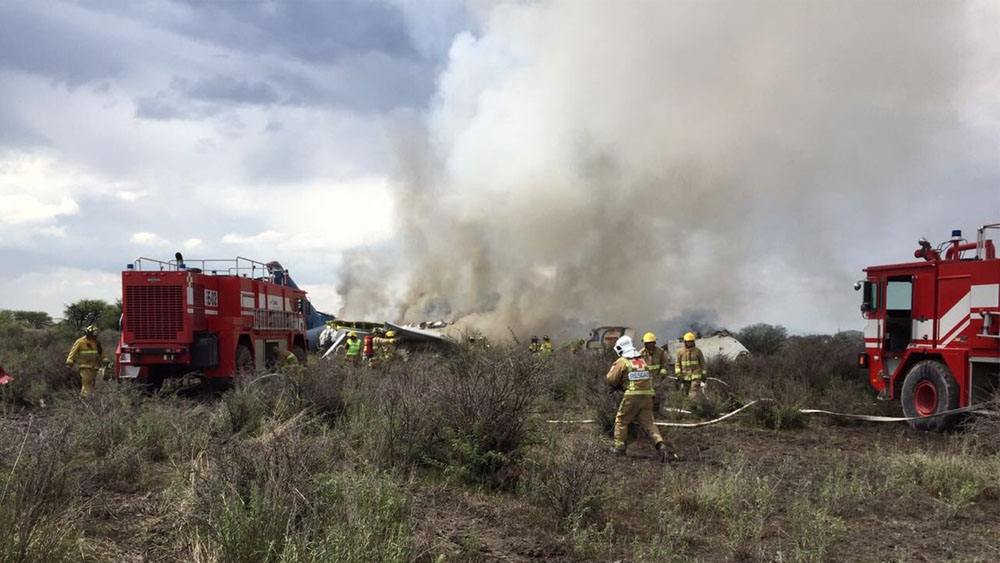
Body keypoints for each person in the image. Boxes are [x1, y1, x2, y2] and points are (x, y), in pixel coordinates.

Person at [605, 335, 673, 462]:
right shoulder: (641, 360)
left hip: (632, 396)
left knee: (622, 420)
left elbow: (611, 378)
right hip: (648, 395)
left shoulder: (622, 361)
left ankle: (619, 449)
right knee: (648, 423)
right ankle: (661, 446)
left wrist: (619, 384)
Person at [66, 324, 109, 396]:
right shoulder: (80, 342)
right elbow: (73, 352)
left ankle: (83, 398)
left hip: (95, 367)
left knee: (91, 383)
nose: (95, 336)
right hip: (84, 366)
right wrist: (69, 362)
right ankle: (87, 398)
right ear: (89, 333)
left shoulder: (97, 342)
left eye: (96, 334)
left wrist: (106, 362)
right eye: (94, 334)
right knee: (86, 381)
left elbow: (102, 353)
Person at [640, 332, 670, 413]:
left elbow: (665, 364)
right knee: (646, 398)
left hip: (658, 378)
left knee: (658, 396)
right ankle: (647, 413)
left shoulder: (660, 352)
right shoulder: (641, 353)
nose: (649, 345)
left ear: (654, 343)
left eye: (651, 343)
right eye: (648, 343)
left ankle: (657, 412)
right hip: (646, 379)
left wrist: (662, 374)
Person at [676, 332, 707, 400]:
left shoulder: (698, 351)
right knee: (685, 394)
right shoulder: (680, 352)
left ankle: (692, 406)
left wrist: (704, 375)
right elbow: (677, 364)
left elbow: (702, 363)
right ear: (685, 342)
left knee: (693, 394)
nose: (690, 343)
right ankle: (688, 408)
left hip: (696, 376)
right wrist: (678, 374)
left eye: (691, 341)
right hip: (685, 377)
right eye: (688, 341)